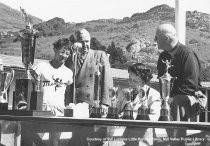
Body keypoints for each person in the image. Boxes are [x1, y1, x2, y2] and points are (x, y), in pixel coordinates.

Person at [155, 23, 207, 145]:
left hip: (193, 97)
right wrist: (163, 98)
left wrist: (171, 98)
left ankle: (178, 143)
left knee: (177, 102)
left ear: (166, 39)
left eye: (157, 37)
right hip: (171, 97)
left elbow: (191, 85)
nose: (155, 40)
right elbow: (161, 81)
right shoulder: (163, 56)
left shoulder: (188, 54)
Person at [65, 28, 113, 115]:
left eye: (87, 41)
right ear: (75, 43)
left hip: (93, 105)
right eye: (81, 42)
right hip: (74, 104)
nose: (84, 44)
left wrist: (105, 103)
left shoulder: (99, 55)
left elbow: (107, 81)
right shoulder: (70, 59)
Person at [114, 63, 161, 146]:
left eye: (135, 81)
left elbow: (156, 116)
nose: (130, 83)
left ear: (143, 81)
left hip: (143, 140)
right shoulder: (124, 92)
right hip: (125, 139)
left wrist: (133, 116)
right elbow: (116, 112)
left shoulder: (153, 94)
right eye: (129, 79)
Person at [34, 38, 73, 116]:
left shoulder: (68, 73)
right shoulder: (41, 67)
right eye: (62, 52)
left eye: (67, 53)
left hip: (60, 113)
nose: (64, 56)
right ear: (55, 50)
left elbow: (68, 95)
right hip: (42, 112)